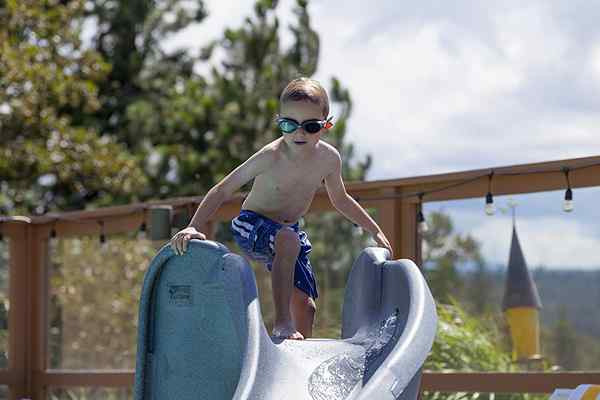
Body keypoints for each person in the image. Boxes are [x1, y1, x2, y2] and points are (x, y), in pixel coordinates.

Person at [169, 77, 393, 340]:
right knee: (287, 240)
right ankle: (281, 323)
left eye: (310, 126)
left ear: (326, 125)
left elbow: (340, 199)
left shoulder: (329, 159)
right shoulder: (270, 156)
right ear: (279, 122)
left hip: (288, 232)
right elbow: (223, 189)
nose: (299, 133)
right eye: (289, 124)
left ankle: (298, 363)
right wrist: (194, 225)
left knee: (306, 308)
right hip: (251, 224)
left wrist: (374, 229)